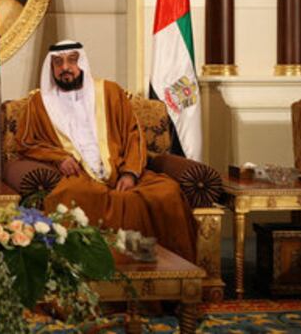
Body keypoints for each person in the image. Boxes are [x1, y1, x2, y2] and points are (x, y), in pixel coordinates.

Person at [15, 40, 197, 261]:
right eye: (58, 63)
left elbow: (133, 135)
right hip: (78, 175)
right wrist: (58, 158)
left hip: (119, 168)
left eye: (72, 60)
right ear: (51, 68)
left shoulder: (110, 92)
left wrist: (130, 173)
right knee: (78, 196)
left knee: (166, 192)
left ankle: (175, 270)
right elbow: (26, 142)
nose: (65, 68)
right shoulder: (39, 102)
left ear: (82, 62)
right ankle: (92, 269)